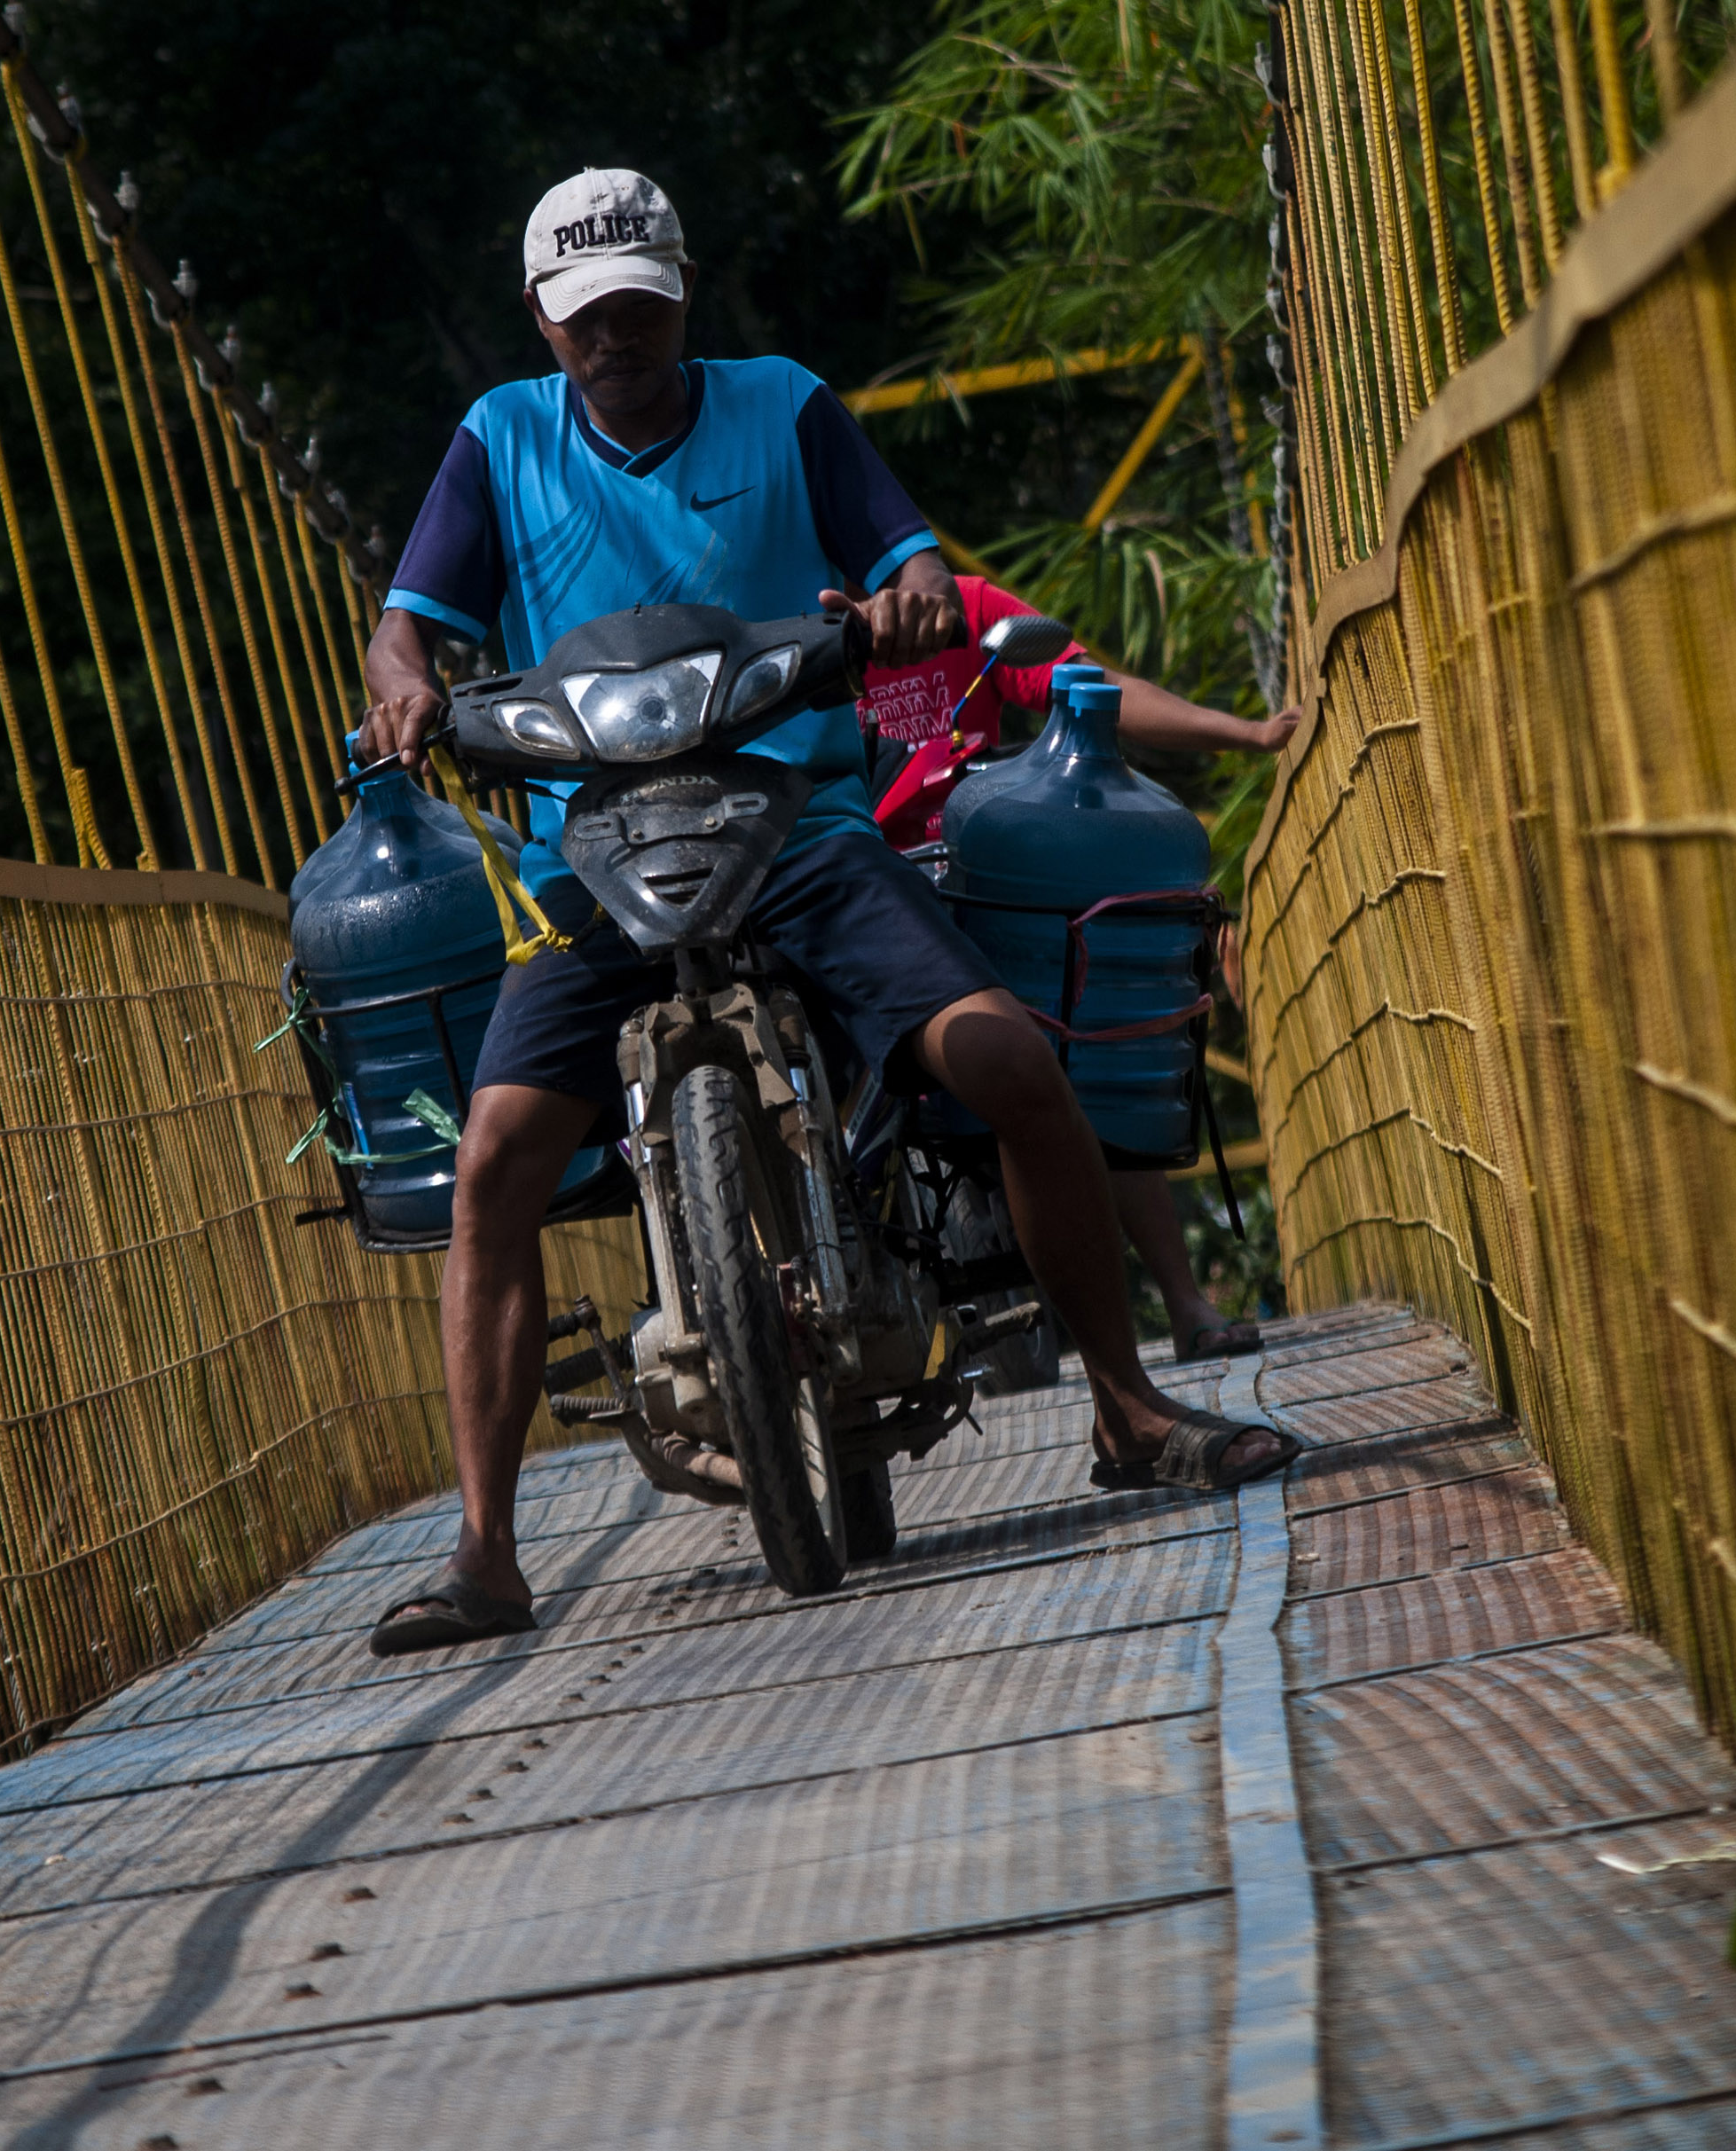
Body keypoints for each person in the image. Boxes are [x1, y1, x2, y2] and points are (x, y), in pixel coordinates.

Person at [354, 168, 1300, 1656]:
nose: (616, 335)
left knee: (1005, 1059)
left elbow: (904, 548)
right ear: (541, 322)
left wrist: (917, 588)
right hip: (590, 848)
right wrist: (403, 683)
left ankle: (1125, 1403)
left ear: (682, 296)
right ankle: (486, 1553)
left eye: (639, 307)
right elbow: (410, 616)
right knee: (492, 1160)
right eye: (587, 314)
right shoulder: (499, 441)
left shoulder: (783, 404)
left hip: (795, 819)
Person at [856, 570, 1296, 1362]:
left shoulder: (964, 610)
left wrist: (1248, 733)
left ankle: (1184, 1298)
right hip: (865, 900)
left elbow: (1091, 696)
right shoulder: (788, 634)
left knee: (1087, 1036)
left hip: (985, 889)